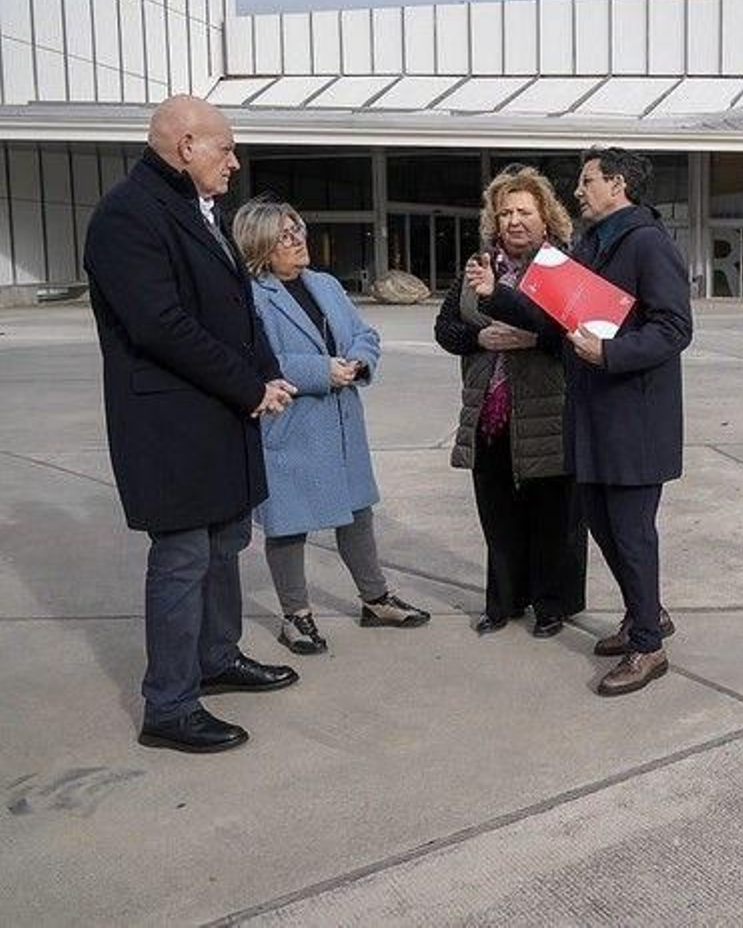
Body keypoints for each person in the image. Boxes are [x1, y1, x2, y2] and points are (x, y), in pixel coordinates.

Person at [83, 95, 299, 754]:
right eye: (225, 148)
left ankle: (216, 655)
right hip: (172, 426)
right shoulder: (127, 216)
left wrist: (265, 370)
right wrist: (247, 385)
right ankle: (170, 704)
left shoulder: (196, 212)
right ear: (185, 145)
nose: (235, 162)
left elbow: (237, 306)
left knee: (226, 542)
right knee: (181, 558)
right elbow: (161, 325)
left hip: (218, 421)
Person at [474, 145, 691, 696]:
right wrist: (495, 296)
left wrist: (611, 354)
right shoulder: (595, 243)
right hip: (593, 414)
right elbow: (553, 322)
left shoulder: (646, 243)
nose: (578, 189)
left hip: (634, 419)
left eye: (588, 180)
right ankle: (647, 615)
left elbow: (673, 328)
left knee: (631, 532)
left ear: (617, 184)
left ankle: (648, 647)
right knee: (599, 522)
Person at [232, 198, 430, 655]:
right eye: (285, 234)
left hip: (341, 422)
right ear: (260, 242)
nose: (299, 238)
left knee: (359, 513)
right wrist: (322, 371)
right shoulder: (250, 295)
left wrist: (359, 361)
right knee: (288, 524)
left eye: (298, 227)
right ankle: (296, 616)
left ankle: (375, 598)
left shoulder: (324, 284)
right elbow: (252, 359)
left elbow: (364, 334)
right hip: (291, 423)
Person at [436, 165, 587, 637]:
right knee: (497, 515)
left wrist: (532, 339)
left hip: (547, 415)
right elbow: (446, 331)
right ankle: (501, 603)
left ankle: (550, 605)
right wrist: (483, 340)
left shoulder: (562, 270)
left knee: (551, 519)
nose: (514, 221)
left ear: (547, 218)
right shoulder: (478, 268)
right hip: (489, 416)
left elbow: (576, 337)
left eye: (524, 211)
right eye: (505, 213)